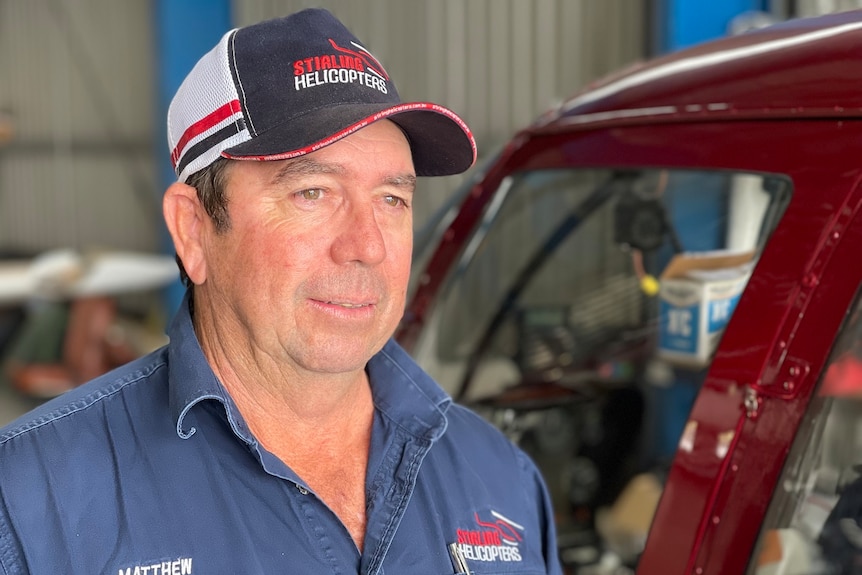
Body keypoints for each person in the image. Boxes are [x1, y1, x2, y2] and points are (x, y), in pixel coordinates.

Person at [0, 8, 563, 574]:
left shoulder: (500, 480)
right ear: (194, 232)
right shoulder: (33, 502)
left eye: (392, 199)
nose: (366, 246)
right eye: (313, 193)